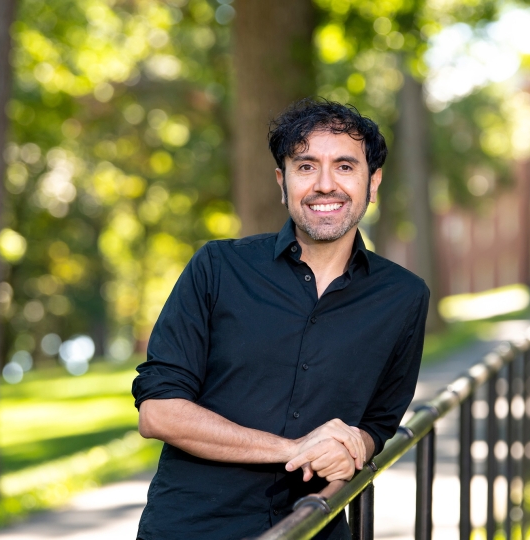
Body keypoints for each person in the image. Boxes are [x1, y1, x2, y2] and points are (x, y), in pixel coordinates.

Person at [131, 98, 430, 540]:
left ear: (374, 181)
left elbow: (378, 425)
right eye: (306, 166)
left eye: (345, 167)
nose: (325, 184)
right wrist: (294, 449)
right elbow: (158, 413)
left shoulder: (403, 297)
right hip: (192, 527)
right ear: (282, 180)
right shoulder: (217, 267)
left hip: (316, 526)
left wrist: (352, 449)